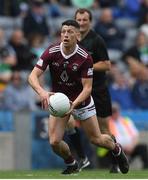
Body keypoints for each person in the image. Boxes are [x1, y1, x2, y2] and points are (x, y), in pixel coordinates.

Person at [28, 19, 129, 175]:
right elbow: (32, 76)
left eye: (69, 32)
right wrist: (42, 92)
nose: (65, 35)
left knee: (96, 139)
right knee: (54, 141)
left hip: (81, 102)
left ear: (77, 35)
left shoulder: (85, 57)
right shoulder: (51, 51)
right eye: (63, 32)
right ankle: (72, 163)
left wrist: (73, 104)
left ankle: (116, 149)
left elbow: (87, 88)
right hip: (60, 102)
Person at [65, 8, 119, 172]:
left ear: (90, 21)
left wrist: (86, 67)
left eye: (84, 20)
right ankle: (82, 158)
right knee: (68, 121)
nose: (81, 23)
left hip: (97, 90)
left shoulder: (97, 40)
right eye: (78, 20)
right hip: (77, 90)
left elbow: (107, 64)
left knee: (103, 130)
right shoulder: (70, 39)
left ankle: (115, 162)